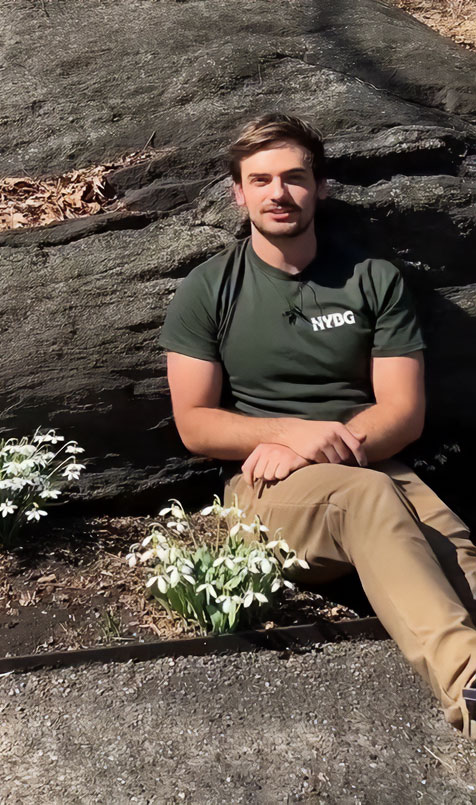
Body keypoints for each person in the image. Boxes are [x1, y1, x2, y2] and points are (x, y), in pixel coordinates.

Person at [159, 112, 476, 738]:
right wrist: (286, 434)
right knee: (368, 498)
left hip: (365, 464)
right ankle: (470, 688)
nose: (279, 193)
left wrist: (312, 448)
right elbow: (194, 425)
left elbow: (402, 413)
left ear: (320, 187)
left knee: (455, 549)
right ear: (239, 193)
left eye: (295, 178)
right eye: (261, 180)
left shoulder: (372, 280)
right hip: (263, 492)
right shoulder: (208, 289)